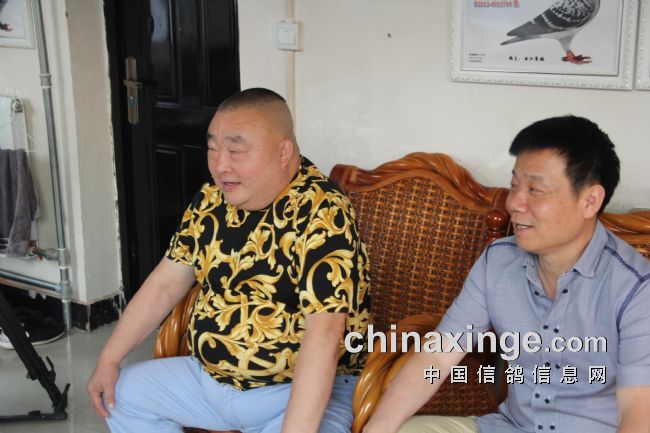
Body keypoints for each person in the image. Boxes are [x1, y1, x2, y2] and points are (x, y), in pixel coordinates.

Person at [87, 88, 371, 433]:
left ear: (284, 152)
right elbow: (165, 282)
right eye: (213, 149)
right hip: (208, 382)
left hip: (291, 394)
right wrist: (109, 358)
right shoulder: (212, 199)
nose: (221, 166)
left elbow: (324, 334)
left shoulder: (322, 211)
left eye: (236, 151)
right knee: (118, 396)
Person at [362, 115, 650, 433]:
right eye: (514, 185)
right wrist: (379, 428)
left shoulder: (636, 290)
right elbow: (439, 355)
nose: (515, 203)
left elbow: (639, 412)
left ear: (589, 200)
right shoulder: (498, 261)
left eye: (535, 190)